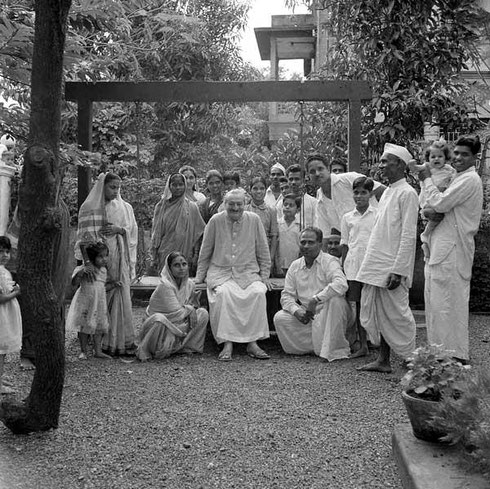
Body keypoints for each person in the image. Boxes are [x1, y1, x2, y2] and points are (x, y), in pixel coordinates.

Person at [419, 135, 483, 362]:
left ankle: (451, 358)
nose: (457, 158)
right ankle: (442, 357)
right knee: (438, 305)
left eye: (464, 154)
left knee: (448, 305)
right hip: (441, 247)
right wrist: (426, 211)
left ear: (475, 158)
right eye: (455, 153)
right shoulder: (455, 176)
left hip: (452, 251)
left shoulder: (469, 180)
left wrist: (426, 179)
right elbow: (431, 208)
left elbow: (440, 204)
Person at [356, 143, 419, 373]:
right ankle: (383, 360)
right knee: (380, 312)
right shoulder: (389, 191)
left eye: (385, 161)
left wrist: (399, 269)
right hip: (378, 262)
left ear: (400, 165)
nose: (381, 165)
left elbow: (408, 234)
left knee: (398, 313)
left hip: (393, 265)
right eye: (381, 161)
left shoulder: (408, 193)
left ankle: (413, 359)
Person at [195, 188, 272, 362]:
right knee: (223, 294)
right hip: (221, 273)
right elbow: (205, 251)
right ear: (224, 204)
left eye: (239, 204)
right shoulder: (215, 220)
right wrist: (199, 277)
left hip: (248, 273)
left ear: (245, 204)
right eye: (231, 204)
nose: (235, 208)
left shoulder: (254, 220)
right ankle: (227, 343)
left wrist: (265, 276)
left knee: (258, 292)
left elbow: (263, 250)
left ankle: (252, 342)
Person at [75, 172, 138, 356]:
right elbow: (83, 237)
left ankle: (119, 340)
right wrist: (88, 262)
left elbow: (131, 230)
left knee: (119, 291)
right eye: (112, 187)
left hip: (118, 254)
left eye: (118, 187)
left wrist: (119, 230)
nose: (115, 191)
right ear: (102, 186)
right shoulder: (89, 206)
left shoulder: (123, 207)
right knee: (96, 299)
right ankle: (95, 345)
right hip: (98, 259)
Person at [273, 227, 352, 362]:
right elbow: (286, 295)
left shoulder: (329, 261)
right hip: (309, 316)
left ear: (320, 244)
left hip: (329, 312)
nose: (306, 246)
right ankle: (320, 345)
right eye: (303, 242)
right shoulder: (295, 266)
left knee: (336, 301)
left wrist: (316, 299)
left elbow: (341, 284)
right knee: (280, 318)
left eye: (311, 242)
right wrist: (296, 311)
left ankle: (331, 348)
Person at [136, 252, 208, 361]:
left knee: (202, 313)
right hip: (161, 328)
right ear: (169, 268)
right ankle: (160, 348)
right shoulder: (164, 285)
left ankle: (186, 346)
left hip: (179, 324)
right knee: (159, 319)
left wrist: (192, 308)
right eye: (176, 265)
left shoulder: (190, 284)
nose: (181, 268)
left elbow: (193, 304)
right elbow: (176, 312)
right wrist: (190, 309)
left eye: (184, 264)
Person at [307, 153, 385, 250]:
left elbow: (382, 190)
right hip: (352, 247)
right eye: (312, 171)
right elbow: (325, 234)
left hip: (377, 237)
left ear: (328, 169)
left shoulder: (348, 178)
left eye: (320, 169)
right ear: (308, 176)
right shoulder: (320, 199)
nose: (317, 174)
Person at [340, 176, 378, 358]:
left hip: (372, 267)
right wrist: (344, 267)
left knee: (374, 304)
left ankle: (376, 341)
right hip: (354, 268)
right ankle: (362, 344)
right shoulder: (347, 218)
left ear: (370, 194)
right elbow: (345, 244)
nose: (359, 196)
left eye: (363, 193)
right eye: (356, 192)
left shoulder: (377, 215)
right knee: (358, 306)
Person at [66, 242, 115, 360]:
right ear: (92, 257)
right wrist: (81, 273)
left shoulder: (103, 270)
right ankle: (83, 350)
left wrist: (113, 285)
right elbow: (74, 283)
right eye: (100, 256)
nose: (104, 259)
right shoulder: (83, 269)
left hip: (99, 303)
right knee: (84, 327)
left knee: (99, 327)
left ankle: (97, 350)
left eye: (106, 255)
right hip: (86, 302)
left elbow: (102, 287)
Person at [408, 140, 456, 259]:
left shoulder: (449, 169)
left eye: (440, 156)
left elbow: (455, 178)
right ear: (428, 158)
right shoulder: (427, 167)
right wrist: (412, 164)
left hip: (441, 198)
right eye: (433, 156)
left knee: (438, 220)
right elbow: (415, 169)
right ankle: (425, 237)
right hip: (429, 200)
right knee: (434, 216)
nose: (436, 159)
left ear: (446, 157)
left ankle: (427, 242)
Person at [150, 173, 205, 275]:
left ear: (185, 186)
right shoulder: (161, 206)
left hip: (185, 253)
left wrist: (196, 255)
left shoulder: (192, 207)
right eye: (174, 185)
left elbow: (198, 234)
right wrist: (154, 255)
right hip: (165, 252)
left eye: (180, 184)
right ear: (169, 186)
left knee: (183, 285)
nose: (178, 188)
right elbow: (156, 232)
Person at [0, 236, 21, 394]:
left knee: (3, 351)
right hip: (2, 318)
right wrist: (16, 294)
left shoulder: (4, 271)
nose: (5, 255)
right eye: (0, 252)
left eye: (7, 252)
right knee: (0, 352)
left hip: (5, 317)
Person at [245, 176, 278, 271]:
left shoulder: (271, 210)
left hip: (265, 250)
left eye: (262, 188)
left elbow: (274, 236)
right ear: (250, 190)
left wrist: (271, 258)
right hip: (247, 251)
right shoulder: (244, 209)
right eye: (255, 188)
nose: (258, 191)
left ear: (265, 190)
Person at [281, 164, 317, 228]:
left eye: (297, 179)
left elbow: (316, 225)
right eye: (291, 179)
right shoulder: (281, 204)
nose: (293, 182)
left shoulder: (313, 202)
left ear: (304, 180)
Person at [277, 193, 302, 275]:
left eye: (291, 205)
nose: (287, 207)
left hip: (294, 262)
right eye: (285, 205)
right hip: (279, 263)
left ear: (298, 209)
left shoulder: (301, 226)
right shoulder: (276, 224)